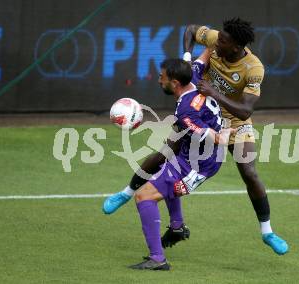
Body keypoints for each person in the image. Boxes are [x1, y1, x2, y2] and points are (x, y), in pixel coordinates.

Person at [104, 18, 289, 255]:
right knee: (165, 153)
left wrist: (215, 94)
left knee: (250, 172)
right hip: (200, 112)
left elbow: (245, 110)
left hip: (234, 122)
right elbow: (191, 30)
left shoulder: (253, 68)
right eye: (217, 38)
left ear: (235, 46)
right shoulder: (217, 40)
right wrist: (188, 57)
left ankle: (267, 232)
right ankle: (126, 193)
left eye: (222, 41)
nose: (215, 42)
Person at [128, 57, 232, 270]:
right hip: (188, 155)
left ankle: (157, 259)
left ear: (175, 83)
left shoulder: (186, 111)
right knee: (161, 173)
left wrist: (233, 129)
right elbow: (205, 55)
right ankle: (177, 227)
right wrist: (190, 49)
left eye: (162, 77)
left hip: (197, 167)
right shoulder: (192, 76)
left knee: (143, 197)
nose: (159, 80)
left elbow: (219, 138)